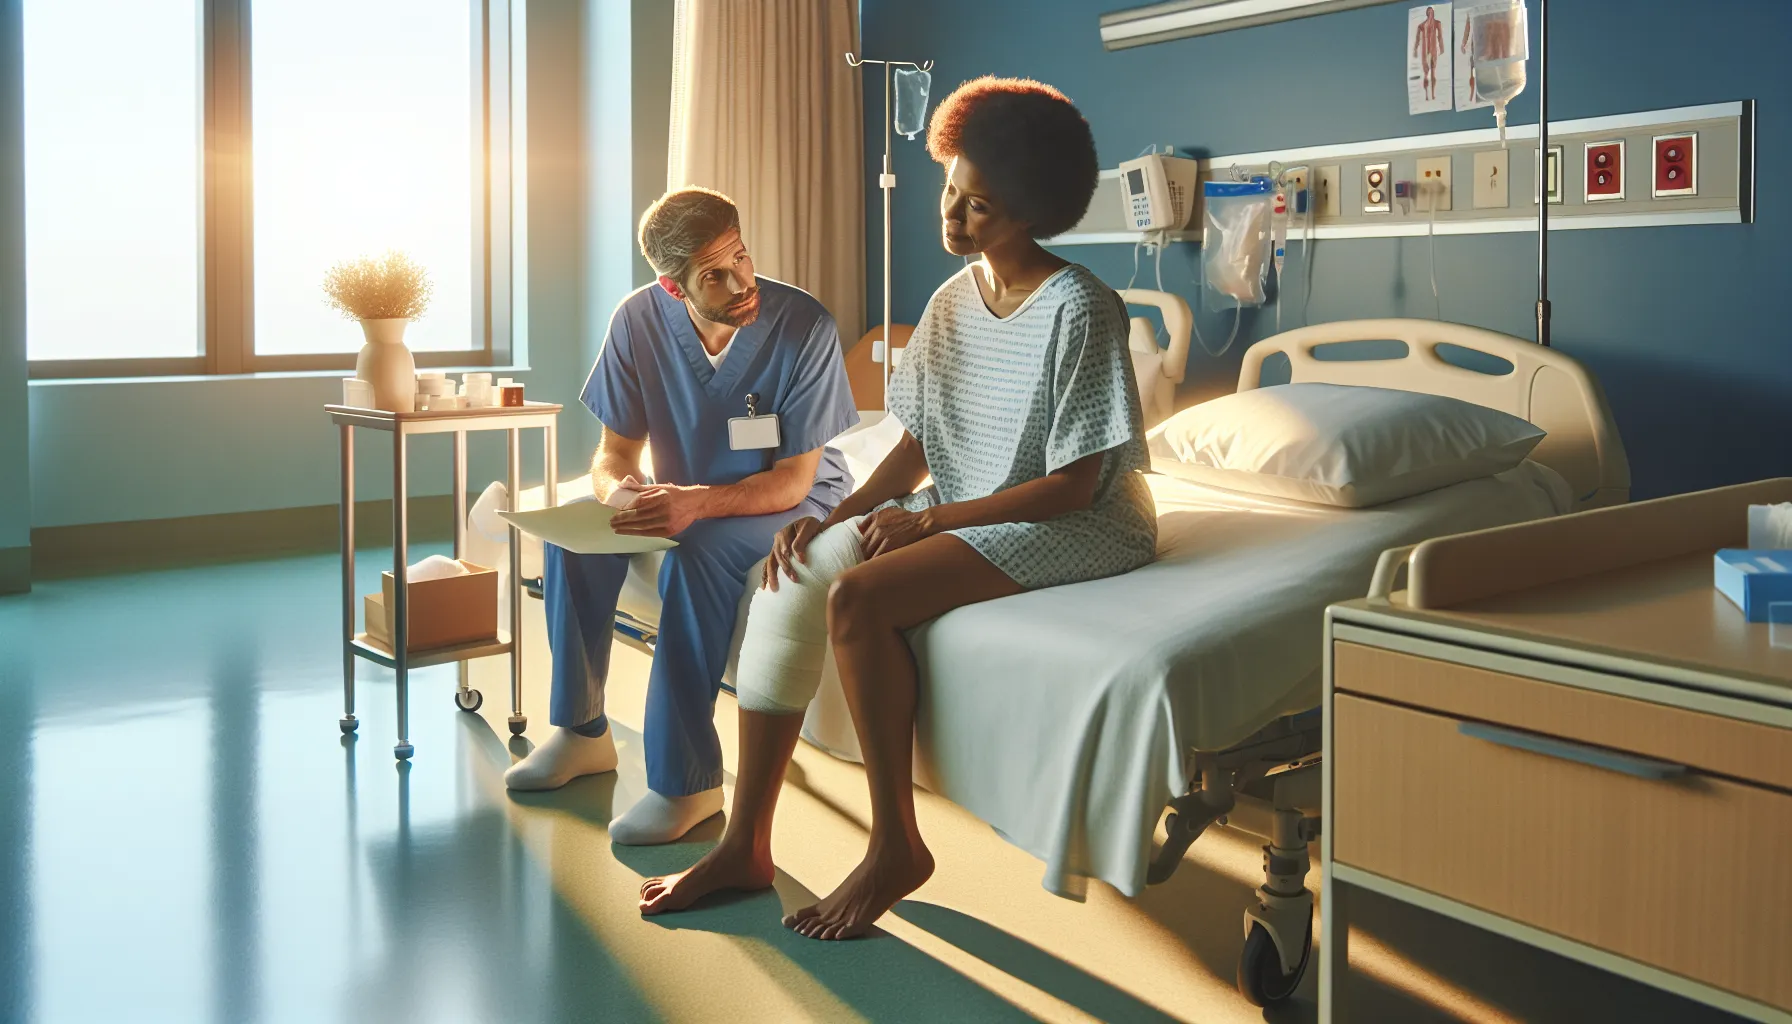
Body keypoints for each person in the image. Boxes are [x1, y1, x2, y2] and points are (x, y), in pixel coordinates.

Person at [637, 77, 1158, 936]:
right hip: (974, 502)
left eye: (978, 206)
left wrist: (930, 522)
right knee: (797, 574)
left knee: (862, 598)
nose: (951, 218)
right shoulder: (952, 301)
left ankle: (895, 848)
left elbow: (1074, 485)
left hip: (1081, 521)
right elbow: (915, 443)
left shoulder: (1082, 308)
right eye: (950, 189)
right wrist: (833, 517)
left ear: (1032, 211)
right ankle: (745, 844)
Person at [503, 188, 859, 848]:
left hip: (793, 497)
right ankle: (581, 735)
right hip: (685, 493)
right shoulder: (637, 321)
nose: (740, 282)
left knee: (698, 557)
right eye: (714, 276)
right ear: (672, 288)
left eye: (742, 259)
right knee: (574, 540)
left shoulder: (804, 325)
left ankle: (687, 784)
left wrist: (697, 503)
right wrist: (618, 495)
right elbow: (611, 454)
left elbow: (792, 478)